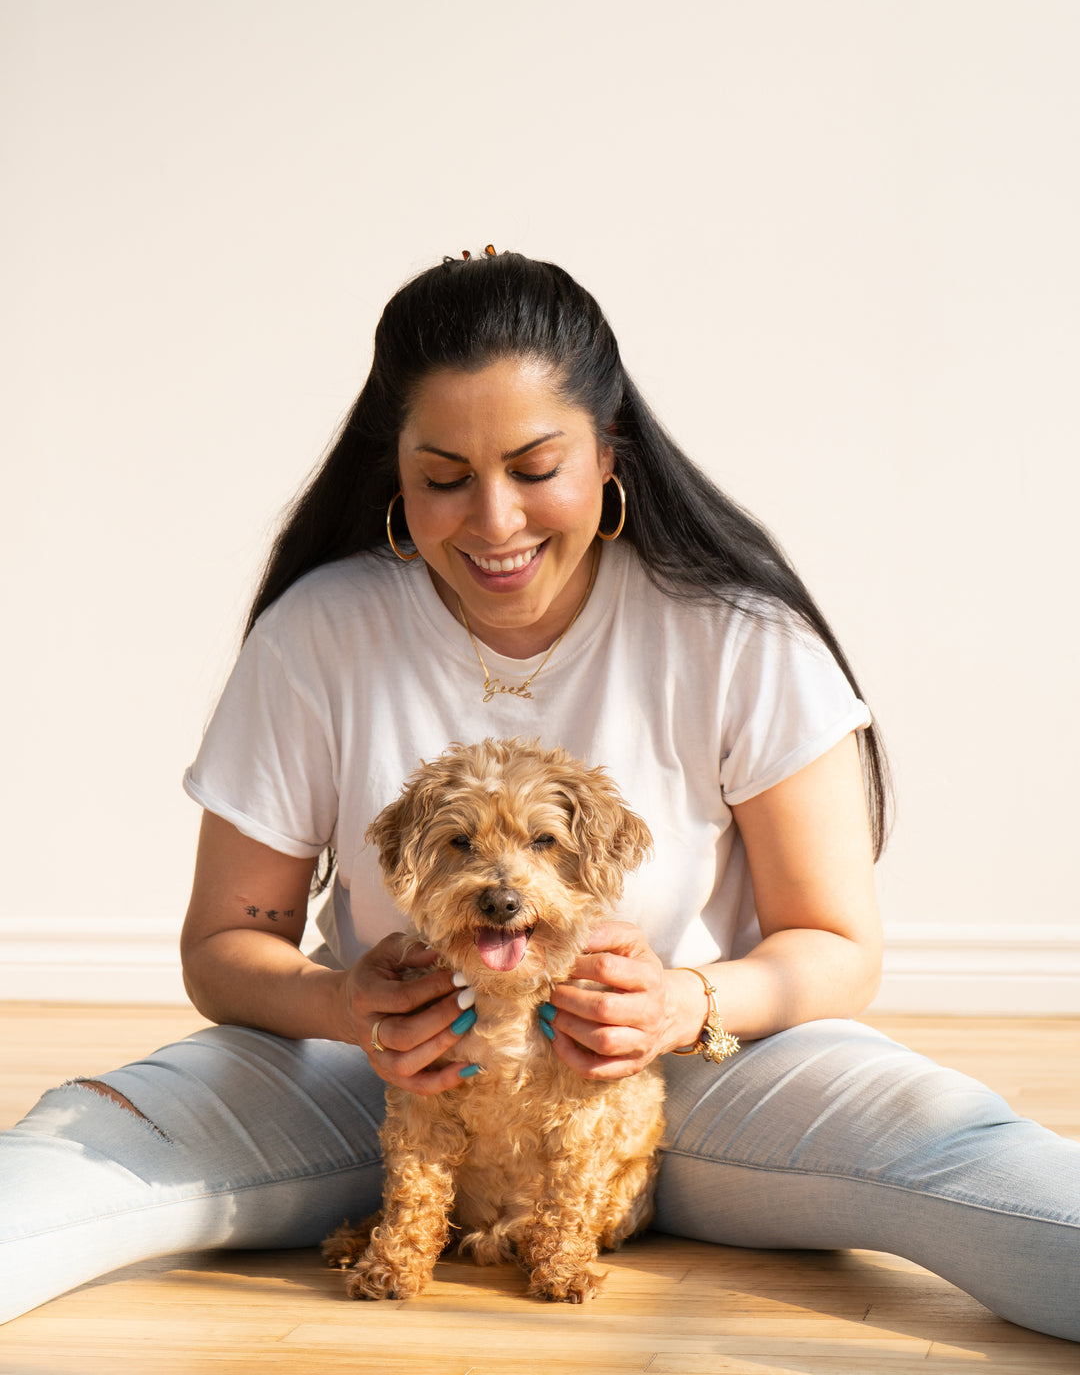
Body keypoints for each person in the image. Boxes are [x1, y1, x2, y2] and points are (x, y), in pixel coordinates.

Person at [2, 249, 1077, 1338]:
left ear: (608, 455)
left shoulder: (738, 636)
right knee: (86, 1144)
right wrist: (349, 1011)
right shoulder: (318, 636)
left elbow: (839, 945)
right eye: (445, 477)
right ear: (398, 475)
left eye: (534, 466)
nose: (495, 521)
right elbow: (226, 944)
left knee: (965, 1152)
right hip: (386, 1083)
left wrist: (686, 1004)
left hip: (703, 1077)